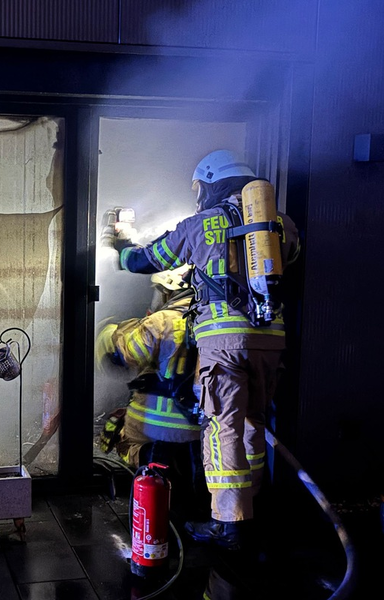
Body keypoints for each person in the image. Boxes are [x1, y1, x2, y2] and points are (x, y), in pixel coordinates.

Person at [110, 149, 300, 549]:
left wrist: (122, 246)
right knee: (254, 424)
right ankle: (251, 511)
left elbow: (146, 259)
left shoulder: (201, 224)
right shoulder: (279, 225)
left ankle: (227, 523)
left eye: (201, 187)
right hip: (271, 341)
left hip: (224, 344)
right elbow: (292, 257)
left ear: (212, 184)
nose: (198, 195)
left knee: (222, 428)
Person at [96, 266, 208, 518]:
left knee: (127, 444)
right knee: (194, 470)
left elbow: (123, 356)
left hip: (156, 427)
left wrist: (109, 333)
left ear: (168, 291)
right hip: (199, 426)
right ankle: (194, 513)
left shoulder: (162, 320)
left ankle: (150, 468)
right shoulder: (210, 319)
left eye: (158, 291)